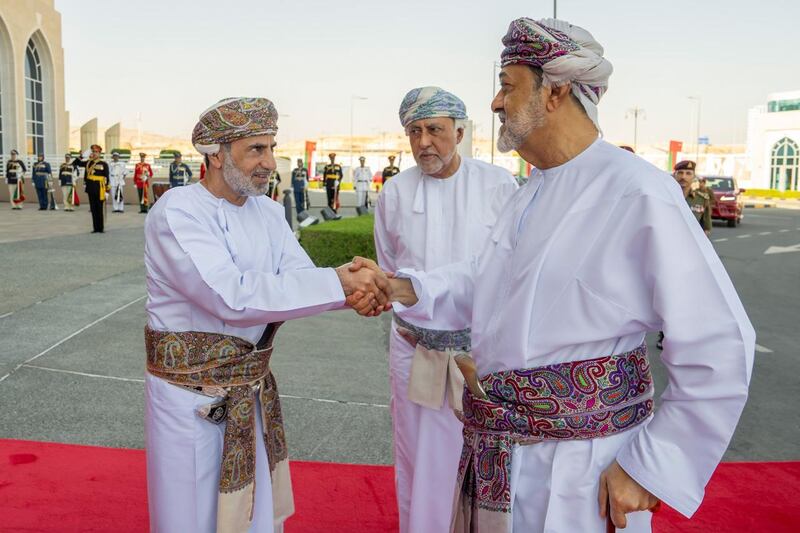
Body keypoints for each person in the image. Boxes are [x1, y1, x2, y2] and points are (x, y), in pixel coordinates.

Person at [354, 17, 754, 532]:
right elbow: (490, 284)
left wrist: (651, 468)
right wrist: (403, 286)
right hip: (505, 459)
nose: (496, 103)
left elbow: (721, 342)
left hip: (583, 471)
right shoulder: (532, 192)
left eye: (507, 86)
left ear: (555, 91)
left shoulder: (636, 191)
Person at [143, 96, 390, 533]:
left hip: (249, 394)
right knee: (191, 517)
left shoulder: (269, 213)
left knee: (254, 517)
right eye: (256, 149)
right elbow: (230, 296)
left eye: (272, 148)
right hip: (189, 402)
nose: (269, 163)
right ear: (217, 154)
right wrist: (342, 283)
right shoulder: (177, 211)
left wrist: (355, 290)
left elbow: (301, 278)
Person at [375, 86, 518, 533]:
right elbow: (389, 269)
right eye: (414, 132)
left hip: (480, 357)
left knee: (481, 457)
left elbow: (506, 269)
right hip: (413, 351)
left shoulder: (498, 185)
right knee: (415, 458)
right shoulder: (394, 192)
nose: (424, 143)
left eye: (434, 130)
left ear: (459, 132)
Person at [73, 144, 110, 233]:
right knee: (93, 209)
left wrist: (107, 190)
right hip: (91, 188)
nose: (95, 153)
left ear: (100, 153)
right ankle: (95, 228)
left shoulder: (104, 164)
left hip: (100, 188)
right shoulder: (88, 163)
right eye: (93, 151)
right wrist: (82, 156)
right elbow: (75, 163)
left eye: (96, 152)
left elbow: (107, 178)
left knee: (99, 208)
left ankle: (100, 228)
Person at [674, 160, 712, 237]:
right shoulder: (665, 197)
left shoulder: (702, 199)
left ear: (694, 177)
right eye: (680, 173)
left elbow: (706, 228)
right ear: (674, 175)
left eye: (688, 173)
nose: (683, 177)